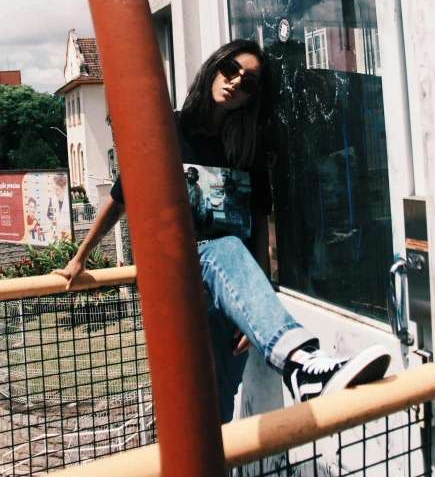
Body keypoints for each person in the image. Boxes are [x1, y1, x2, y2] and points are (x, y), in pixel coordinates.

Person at [54, 39, 391, 422]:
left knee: (218, 402)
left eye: (248, 83)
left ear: (252, 97)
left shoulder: (247, 146)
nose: (235, 82)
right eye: (231, 69)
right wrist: (79, 258)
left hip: (231, 284)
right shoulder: (168, 130)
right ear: (215, 67)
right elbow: (119, 198)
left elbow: (259, 222)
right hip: (184, 272)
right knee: (188, 392)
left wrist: (256, 307)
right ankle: (301, 364)